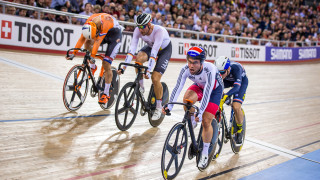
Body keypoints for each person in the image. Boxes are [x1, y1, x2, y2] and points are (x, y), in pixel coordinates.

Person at [163, 46, 224, 169]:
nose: (191, 66)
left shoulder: (210, 70)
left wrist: (200, 112)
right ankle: (192, 122)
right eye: (189, 62)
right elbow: (177, 87)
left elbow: (207, 92)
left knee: (206, 121)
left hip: (214, 90)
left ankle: (205, 153)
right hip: (200, 86)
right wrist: (170, 106)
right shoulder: (185, 69)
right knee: (187, 100)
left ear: (201, 62)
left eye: (195, 63)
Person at [118, 13, 172, 121]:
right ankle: (141, 87)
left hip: (164, 50)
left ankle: (158, 107)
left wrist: (149, 70)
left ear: (149, 24)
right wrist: (123, 67)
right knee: (138, 59)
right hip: (151, 47)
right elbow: (132, 49)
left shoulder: (159, 31)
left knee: (155, 78)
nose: (140, 30)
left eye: (143, 27)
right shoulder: (138, 30)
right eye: (138, 26)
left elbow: (154, 53)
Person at [66, 13, 123, 105]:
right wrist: (74, 53)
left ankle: (106, 93)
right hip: (101, 32)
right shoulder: (89, 23)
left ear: (96, 30)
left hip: (114, 37)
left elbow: (97, 42)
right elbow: (82, 39)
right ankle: (93, 67)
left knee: (106, 63)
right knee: (88, 42)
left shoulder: (105, 23)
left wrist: (92, 57)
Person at [214, 56, 248, 145]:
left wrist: (227, 95)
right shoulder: (220, 72)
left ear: (228, 69)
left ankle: (240, 130)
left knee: (236, 106)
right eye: (219, 73)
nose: (220, 75)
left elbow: (237, 87)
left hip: (241, 82)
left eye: (222, 72)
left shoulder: (236, 68)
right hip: (227, 81)